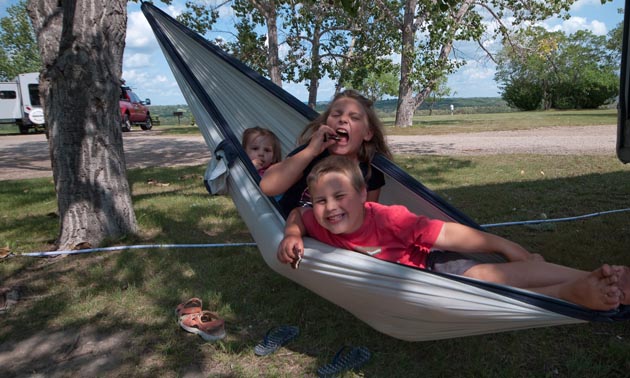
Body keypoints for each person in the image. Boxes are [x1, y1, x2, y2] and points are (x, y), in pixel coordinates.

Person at [277, 155, 630, 311]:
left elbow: (447, 235)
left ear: (361, 195)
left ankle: (591, 282)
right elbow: (297, 212)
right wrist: (292, 233)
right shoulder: (315, 220)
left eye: (340, 196)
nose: (330, 207)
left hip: (430, 269)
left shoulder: (388, 219)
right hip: (404, 288)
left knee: (495, 278)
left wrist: (506, 245)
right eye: (321, 200)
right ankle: (578, 289)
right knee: (492, 286)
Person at [260, 89, 392, 217]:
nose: (343, 120)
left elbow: (366, 217)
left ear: (368, 133)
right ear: (325, 124)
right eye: (336, 115)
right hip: (290, 230)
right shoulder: (310, 155)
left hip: (333, 237)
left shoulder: (370, 171)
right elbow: (268, 186)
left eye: (354, 117)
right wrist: (310, 151)